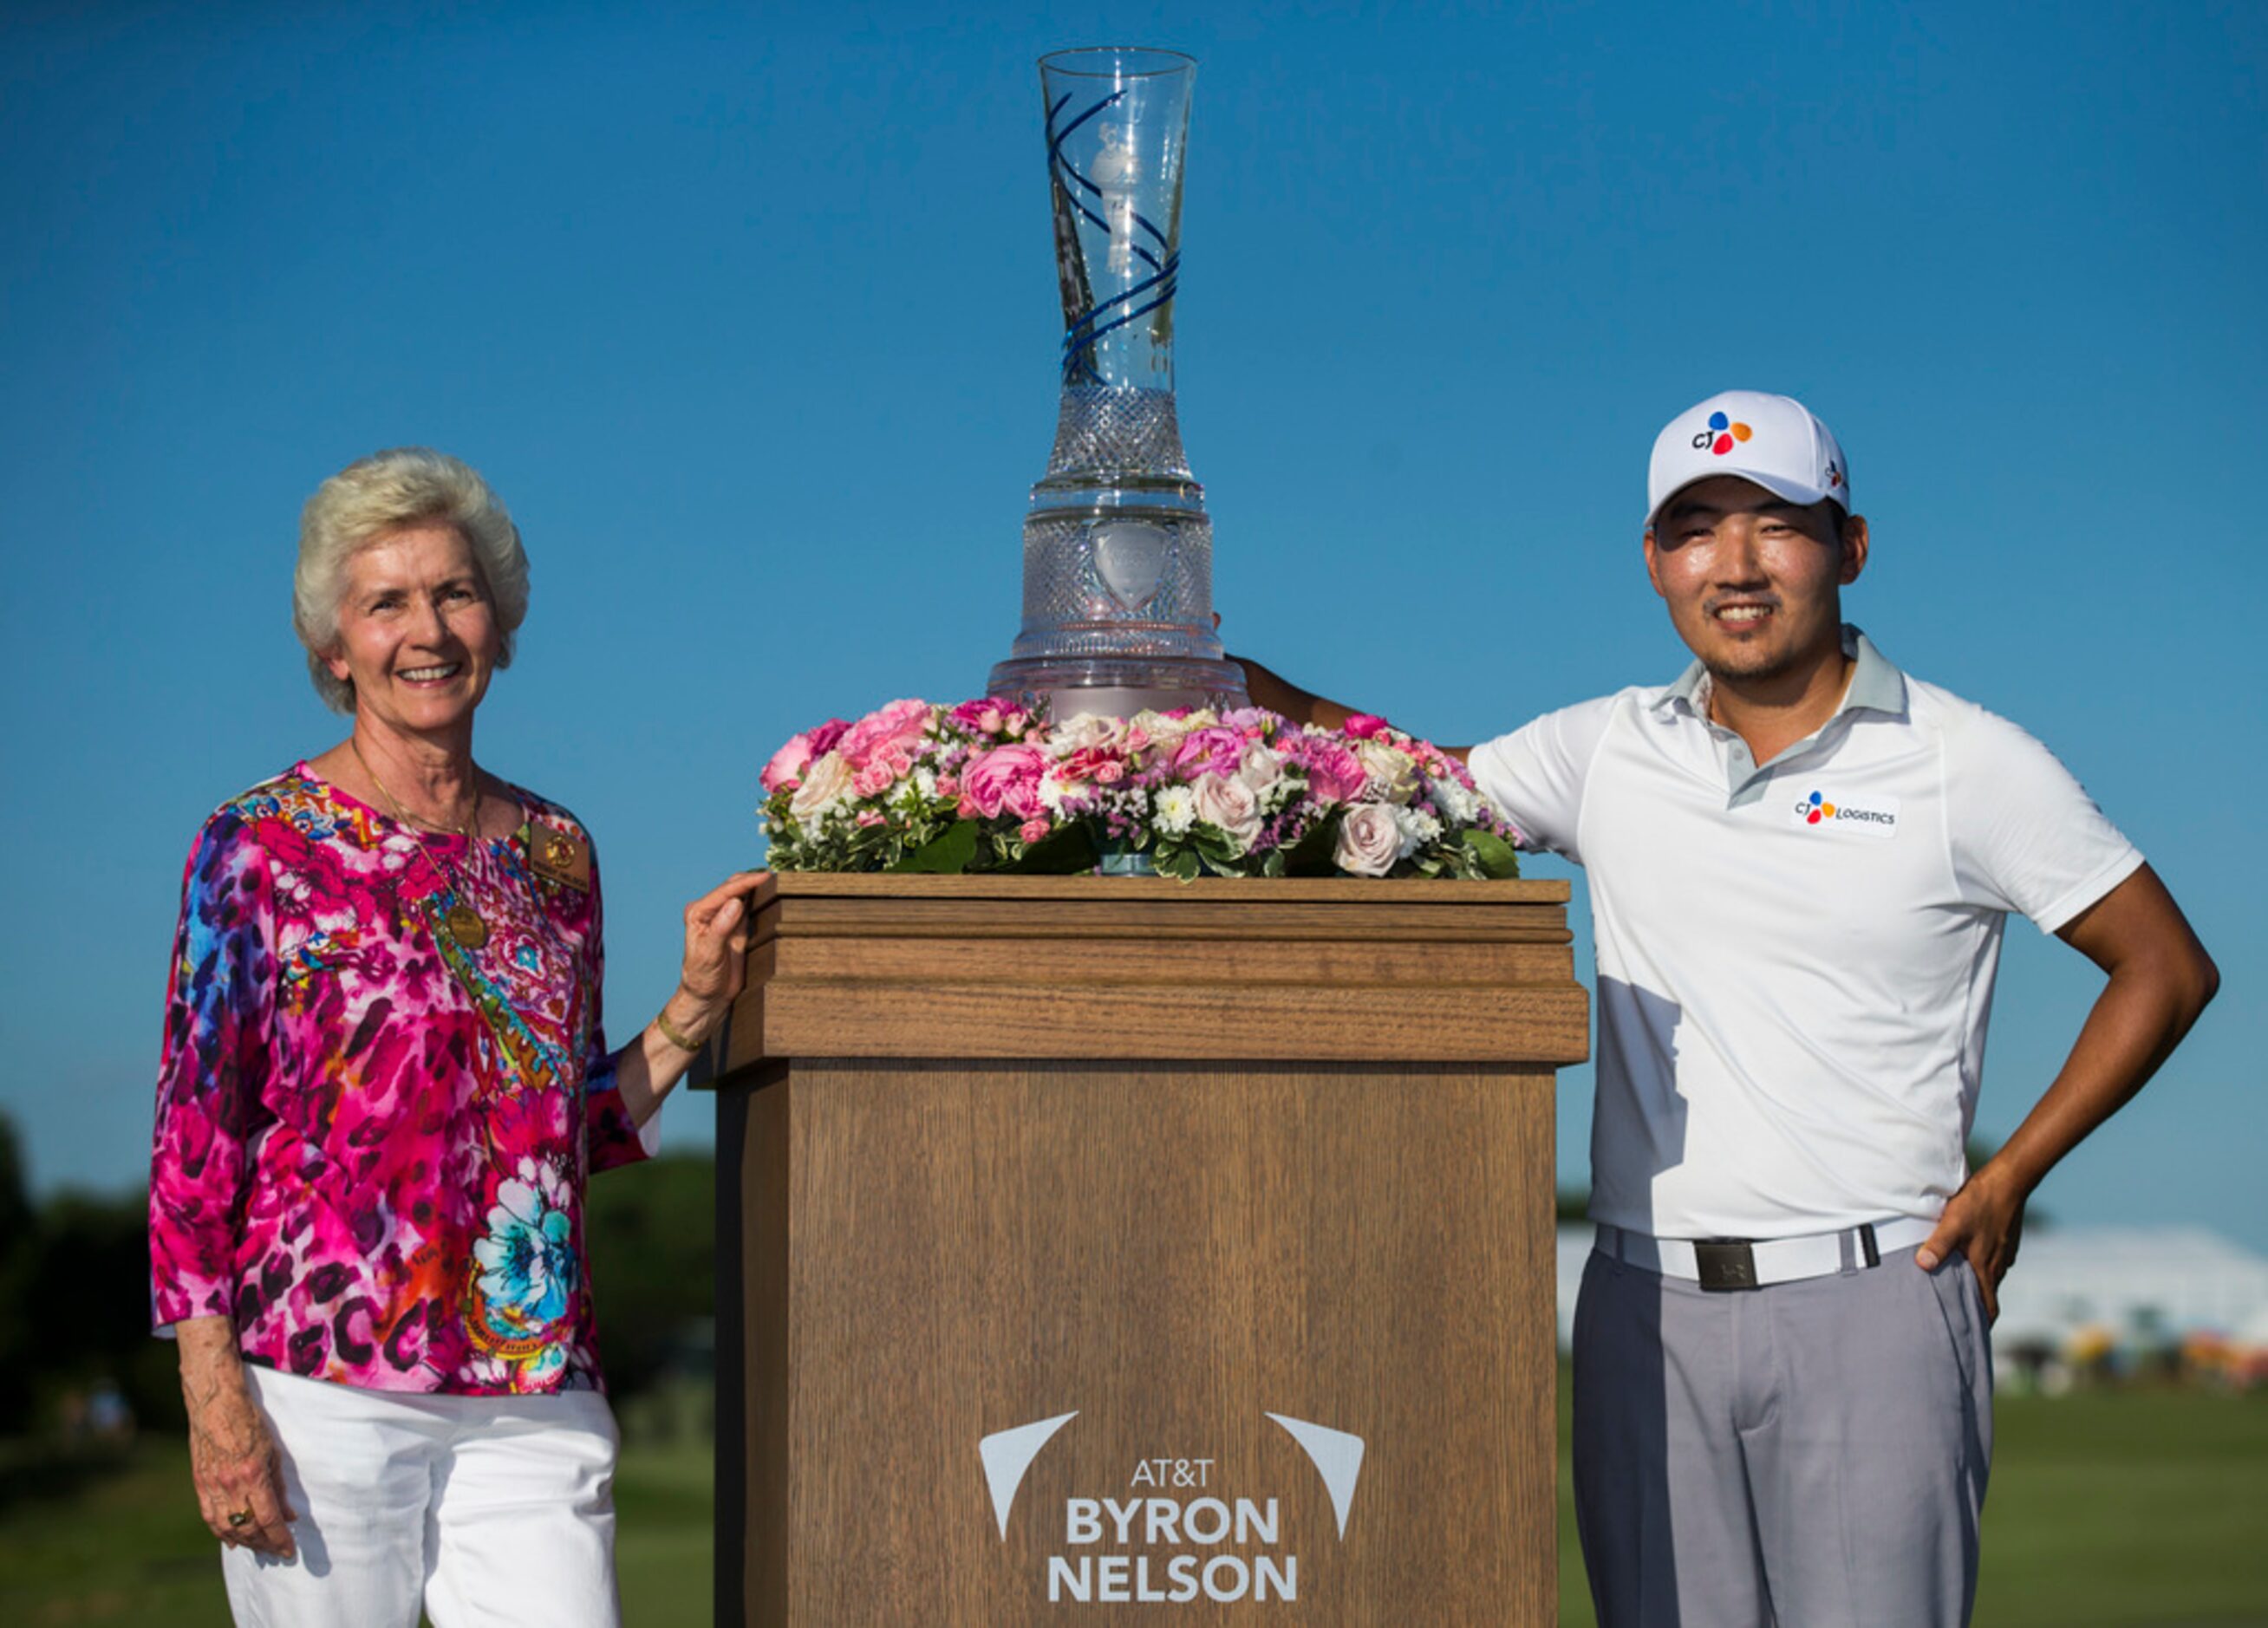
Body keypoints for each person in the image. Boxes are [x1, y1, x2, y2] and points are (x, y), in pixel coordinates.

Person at [1237, 390, 2218, 1626]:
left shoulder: (1965, 760)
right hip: (1644, 1314)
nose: (1737, 564)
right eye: (1697, 528)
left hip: (1874, 1298)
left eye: (1777, 524)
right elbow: (1394, 775)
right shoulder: (1609, 748)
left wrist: (2010, 1172)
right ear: (1654, 561)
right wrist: (1200, 673)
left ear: (1849, 546)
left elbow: (2165, 967)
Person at [148, 447, 763, 1626]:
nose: (427, 628)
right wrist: (213, 1394)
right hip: (322, 1389)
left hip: (534, 1390)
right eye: (386, 602)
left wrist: (691, 1009)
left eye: (455, 592)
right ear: (335, 648)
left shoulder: (556, 851)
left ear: (501, 623)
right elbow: (194, 1145)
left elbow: (557, 1133)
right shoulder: (255, 847)